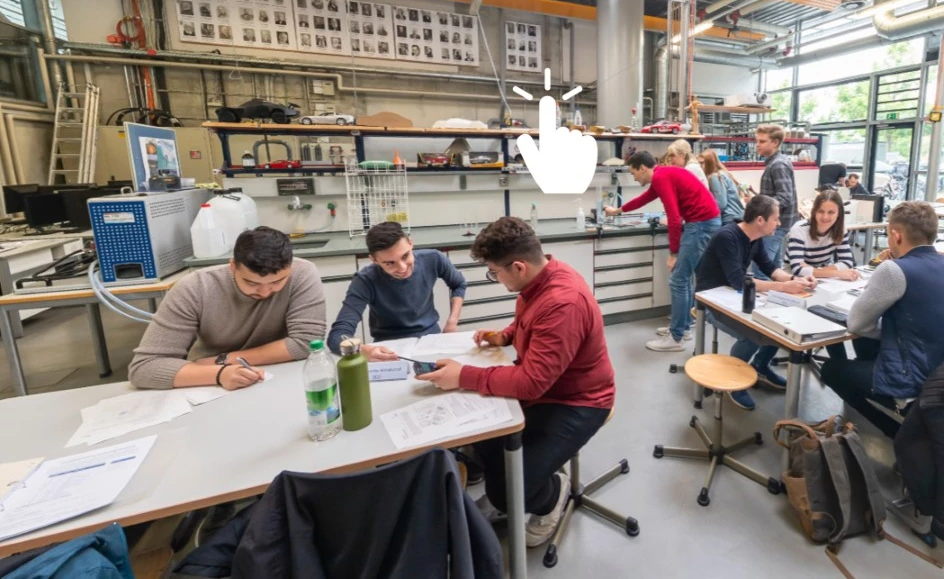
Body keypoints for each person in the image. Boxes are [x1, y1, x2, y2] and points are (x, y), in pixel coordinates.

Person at [416, 217, 615, 548]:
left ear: (519, 267)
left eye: (495, 272)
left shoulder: (562, 301)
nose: (495, 278)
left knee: (508, 490)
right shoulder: (541, 278)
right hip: (550, 386)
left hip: (579, 400)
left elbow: (531, 383)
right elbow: (531, 320)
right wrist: (506, 335)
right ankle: (527, 483)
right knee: (484, 438)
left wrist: (462, 375)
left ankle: (551, 496)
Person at [819, 202, 944, 437]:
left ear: (896, 236)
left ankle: (901, 435)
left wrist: (892, 331)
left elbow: (857, 324)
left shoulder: (893, 270)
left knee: (832, 369)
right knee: (868, 343)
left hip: (934, 387)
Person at [128, 227, 326, 391]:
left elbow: (306, 342)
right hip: (209, 383)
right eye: (251, 283)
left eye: (277, 282)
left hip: (275, 378)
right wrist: (220, 374)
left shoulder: (302, 273)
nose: (265, 292)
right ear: (233, 267)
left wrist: (224, 361)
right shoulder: (195, 288)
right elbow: (144, 368)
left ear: (289, 268)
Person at [697, 195, 816, 410]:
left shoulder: (755, 238)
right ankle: (734, 382)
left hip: (734, 297)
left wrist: (794, 280)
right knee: (750, 336)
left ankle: (760, 367)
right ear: (760, 220)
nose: (779, 223)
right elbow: (738, 281)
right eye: (776, 219)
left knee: (780, 326)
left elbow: (770, 268)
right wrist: (782, 287)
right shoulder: (728, 237)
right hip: (711, 303)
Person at [604, 151, 721, 352]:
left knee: (678, 280)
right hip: (706, 222)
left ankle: (675, 338)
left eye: (633, 173)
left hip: (701, 225)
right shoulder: (662, 176)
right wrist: (618, 211)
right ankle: (683, 328)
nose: (633, 178)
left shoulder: (661, 177)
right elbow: (644, 199)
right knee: (685, 279)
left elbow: (674, 219)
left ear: (643, 168)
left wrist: (673, 253)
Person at [329, 222, 466, 354]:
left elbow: (458, 284)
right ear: (374, 260)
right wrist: (363, 351)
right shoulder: (365, 280)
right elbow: (338, 336)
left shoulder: (433, 258)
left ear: (411, 243)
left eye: (405, 256)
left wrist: (452, 322)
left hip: (431, 339)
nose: (402, 268)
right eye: (389, 263)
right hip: (388, 348)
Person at [786, 190, 858, 281]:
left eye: (831, 212)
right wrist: (837, 273)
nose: (825, 217)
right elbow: (798, 270)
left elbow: (847, 262)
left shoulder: (840, 229)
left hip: (823, 278)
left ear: (839, 213)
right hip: (794, 279)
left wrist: (817, 271)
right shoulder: (799, 230)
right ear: (814, 211)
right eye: (821, 211)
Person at [755, 124, 797, 278]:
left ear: (775, 142)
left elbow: (785, 197)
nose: (757, 145)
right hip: (775, 224)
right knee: (775, 269)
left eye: (762, 141)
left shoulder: (778, 165)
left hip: (774, 225)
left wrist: (760, 205)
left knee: (762, 270)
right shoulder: (775, 163)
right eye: (757, 141)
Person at [699, 149, 745, 225]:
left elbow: (721, 204)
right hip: (736, 216)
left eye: (702, 163)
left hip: (729, 218)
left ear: (710, 163)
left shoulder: (715, 177)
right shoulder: (724, 173)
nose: (700, 167)